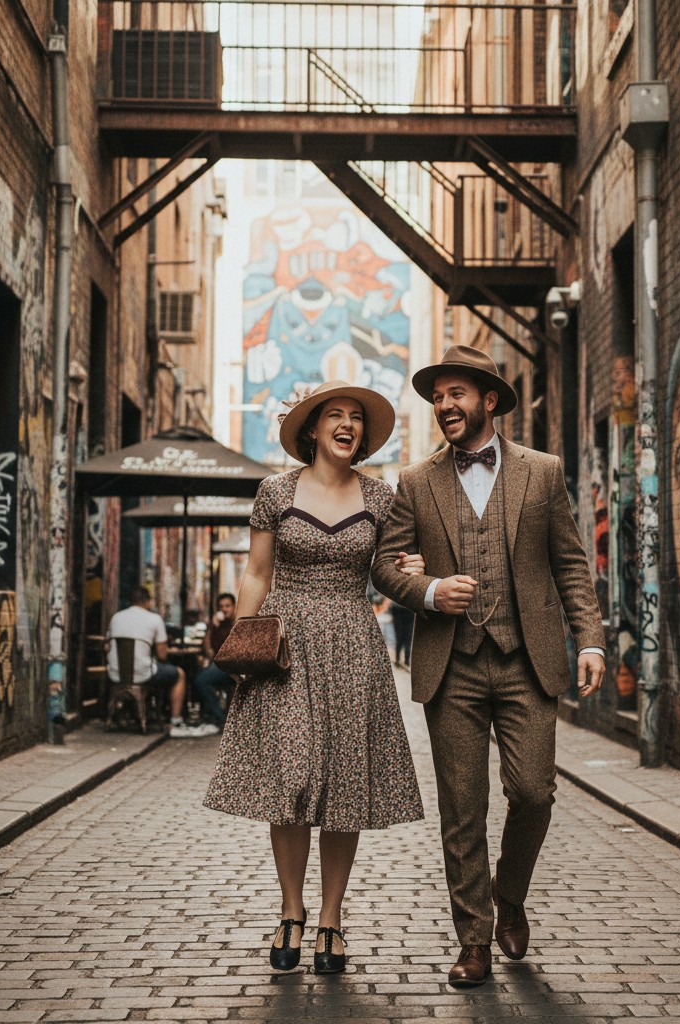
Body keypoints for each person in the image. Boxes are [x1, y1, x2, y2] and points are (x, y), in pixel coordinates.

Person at [371, 345, 606, 987]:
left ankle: (510, 893)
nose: (444, 406)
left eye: (455, 395)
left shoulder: (544, 471)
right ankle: (472, 940)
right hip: (453, 665)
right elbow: (385, 565)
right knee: (462, 806)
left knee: (534, 792)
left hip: (528, 660)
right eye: (438, 396)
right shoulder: (417, 482)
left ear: (489, 401)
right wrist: (427, 592)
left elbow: (570, 563)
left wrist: (589, 639)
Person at [204, 380, 425, 975]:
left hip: (354, 644)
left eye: (356, 417)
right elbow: (256, 572)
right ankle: (291, 909)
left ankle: (330, 919)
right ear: (313, 429)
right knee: (293, 780)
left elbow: (386, 569)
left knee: (344, 787)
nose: (348, 424)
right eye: (336, 415)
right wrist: (242, 645)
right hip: (289, 644)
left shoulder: (381, 498)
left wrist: (409, 566)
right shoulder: (275, 491)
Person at [106, 586, 207, 738]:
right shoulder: (154, 619)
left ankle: (132, 714)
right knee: (179, 674)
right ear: (147, 601)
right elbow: (162, 655)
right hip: (143, 674)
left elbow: (107, 645)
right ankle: (175, 720)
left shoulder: (116, 617)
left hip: (115, 673)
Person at [192, 592, 237, 731]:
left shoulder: (238, 622)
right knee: (198, 678)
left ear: (234, 606)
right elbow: (206, 647)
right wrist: (211, 627)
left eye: (227, 606)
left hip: (234, 665)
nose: (224, 609)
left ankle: (220, 717)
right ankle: (216, 716)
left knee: (201, 680)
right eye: (221, 606)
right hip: (220, 665)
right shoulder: (218, 624)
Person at [390, 600, 414, 668]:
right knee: (406, 639)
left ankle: (400, 660)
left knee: (401, 639)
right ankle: (404, 661)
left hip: (400, 612)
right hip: (406, 612)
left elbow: (393, 606)